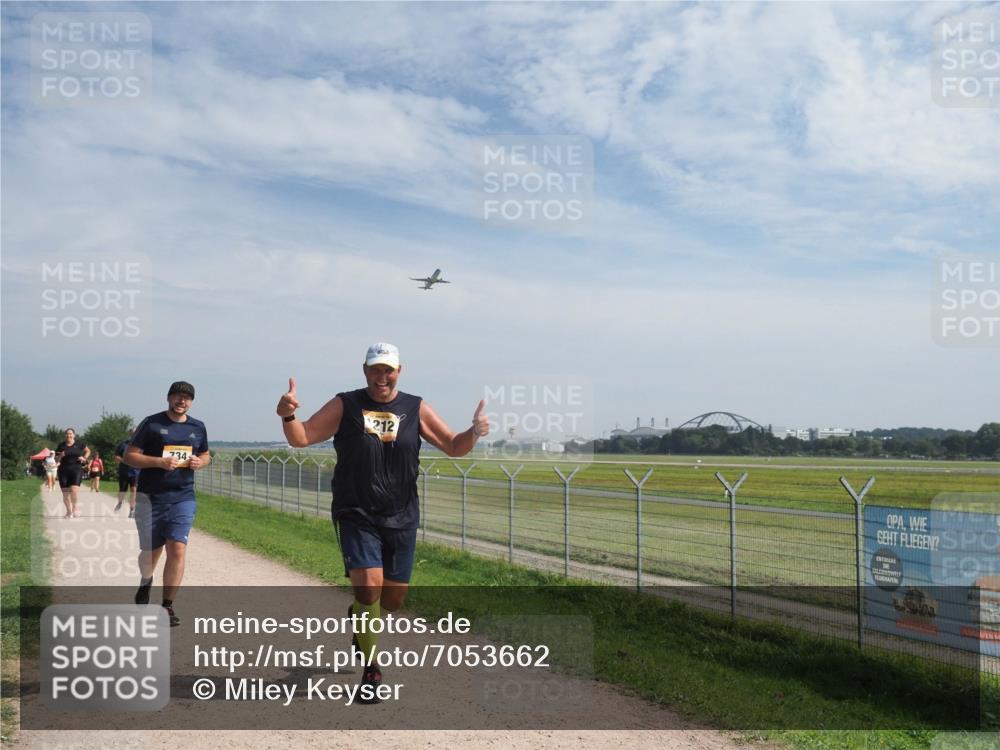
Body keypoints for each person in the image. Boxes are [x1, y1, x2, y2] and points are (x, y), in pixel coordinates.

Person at [275, 342, 489, 703]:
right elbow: (303, 437)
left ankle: (360, 614)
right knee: (370, 587)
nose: (382, 376)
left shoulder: (414, 407)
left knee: (392, 600)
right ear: (365, 371)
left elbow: (454, 446)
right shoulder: (347, 404)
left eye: (388, 369)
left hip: (402, 515)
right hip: (357, 512)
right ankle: (372, 670)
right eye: (375, 369)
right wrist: (287, 415)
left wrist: (474, 432)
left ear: (399, 371)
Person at [124, 381, 210, 627]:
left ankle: (167, 606)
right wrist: (159, 462)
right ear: (169, 398)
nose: (182, 401)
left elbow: (206, 455)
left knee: (177, 548)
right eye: (177, 396)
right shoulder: (152, 423)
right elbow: (130, 456)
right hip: (151, 497)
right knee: (151, 551)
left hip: (183, 497)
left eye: (187, 397)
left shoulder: (198, 427)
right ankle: (145, 581)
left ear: (191, 402)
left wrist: (200, 463)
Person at [55, 429, 90, 518]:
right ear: (65, 435)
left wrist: (84, 458)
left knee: (74, 491)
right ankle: (68, 512)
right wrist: (60, 456)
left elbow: (88, 451)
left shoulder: (79, 444)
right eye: (67, 434)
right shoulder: (61, 445)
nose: (68, 435)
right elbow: (57, 458)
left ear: (74, 435)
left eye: (70, 434)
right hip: (63, 470)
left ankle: (74, 509)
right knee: (65, 493)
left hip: (76, 469)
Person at [114, 429, 140, 517]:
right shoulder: (123, 445)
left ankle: (132, 509)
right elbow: (116, 457)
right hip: (124, 471)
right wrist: (124, 460)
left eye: (135, 433)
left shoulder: (141, 445)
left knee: (134, 490)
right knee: (122, 490)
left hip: (136, 472)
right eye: (132, 433)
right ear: (130, 434)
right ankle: (120, 502)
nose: (134, 434)